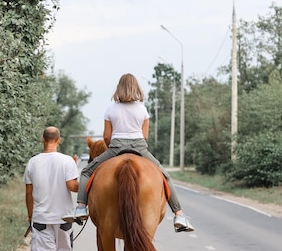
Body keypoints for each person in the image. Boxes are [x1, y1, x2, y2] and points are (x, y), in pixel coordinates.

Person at [62, 73, 194, 233]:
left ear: (119, 88)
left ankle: (81, 207)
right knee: (165, 176)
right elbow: (145, 136)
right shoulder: (142, 110)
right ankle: (179, 214)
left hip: (116, 146)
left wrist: (113, 148)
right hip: (139, 147)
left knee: (86, 172)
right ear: (136, 88)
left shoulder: (111, 108)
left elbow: (106, 136)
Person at [24, 127, 79, 251]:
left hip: (40, 218)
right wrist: (85, 185)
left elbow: (29, 193)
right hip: (64, 218)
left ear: (43, 139)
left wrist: (30, 215)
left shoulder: (32, 162)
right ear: (59, 140)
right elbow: (72, 186)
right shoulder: (67, 161)